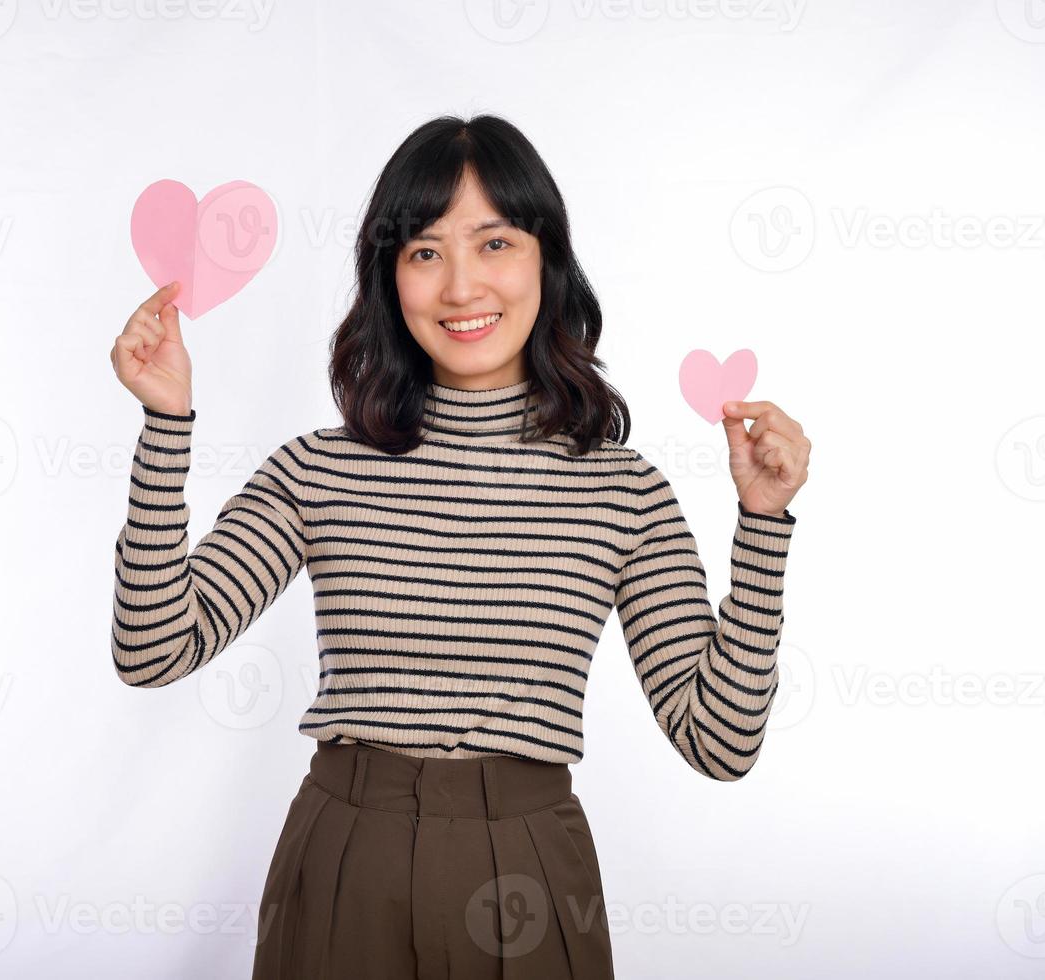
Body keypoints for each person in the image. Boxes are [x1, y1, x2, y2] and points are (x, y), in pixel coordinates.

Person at [107, 113, 809, 979]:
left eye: (495, 243)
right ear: (390, 278)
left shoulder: (622, 489)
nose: (462, 287)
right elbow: (150, 647)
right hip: (342, 862)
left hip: (529, 869)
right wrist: (166, 424)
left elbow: (721, 741)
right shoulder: (320, 470)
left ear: (546, 262)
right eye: (426, 252)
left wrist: (764, 527)